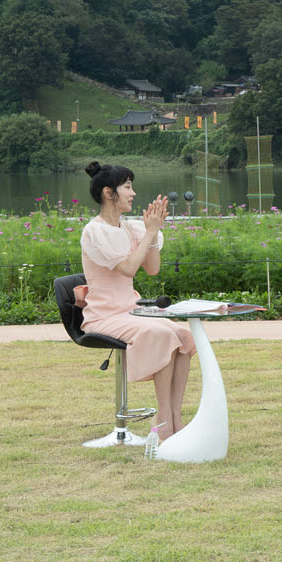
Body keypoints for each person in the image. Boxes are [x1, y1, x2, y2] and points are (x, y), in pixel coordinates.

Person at [78, 161, 197, 445]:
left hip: (129, 311)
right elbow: (129, 269)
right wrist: (150, 232)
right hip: (104, 315)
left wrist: (151, 233)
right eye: (128, 187)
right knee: (161, 334)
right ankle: (163, 422)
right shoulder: (94, 232)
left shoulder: (130, 228)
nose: (133, 193)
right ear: (109, 193)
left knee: (183, 335)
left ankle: (175, 419)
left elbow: (152, 269)